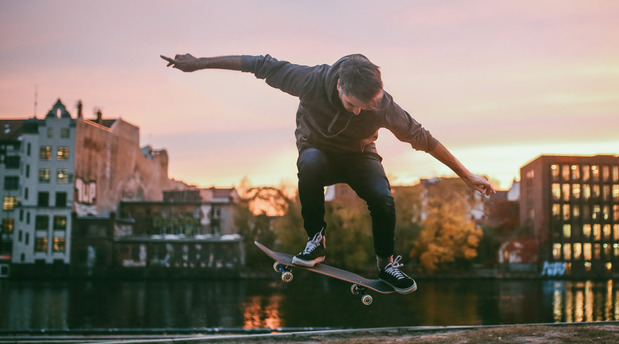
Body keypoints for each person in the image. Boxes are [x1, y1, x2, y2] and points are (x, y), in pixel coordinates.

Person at [161, 53, 496, 294]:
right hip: (316, 149)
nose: (358, 112)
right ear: (338, 86)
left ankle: (386, 263)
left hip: (360, 156)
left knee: (382, 198)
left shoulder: (384, 106)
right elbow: (257, 65)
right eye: (353, 105)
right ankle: (316, 240)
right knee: (308, 166)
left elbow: (425, 139)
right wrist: (199, 63)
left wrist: (466, 175)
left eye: (366, 107)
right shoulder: (309, 80)